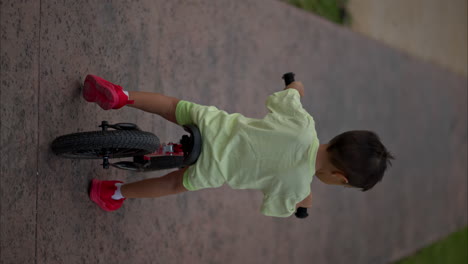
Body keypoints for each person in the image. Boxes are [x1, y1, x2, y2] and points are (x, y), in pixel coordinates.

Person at [85, 74, 394, 217]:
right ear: (340, 178)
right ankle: (114, 192)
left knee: (172, 107)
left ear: (340, 137)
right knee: (172, 185)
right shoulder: (298, 188)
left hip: (212, 124)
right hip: (211, 168)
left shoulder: (305, 124)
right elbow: (281, 204)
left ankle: (120, 96)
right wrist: (304, 201)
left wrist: (295, 86)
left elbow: (288, 96)